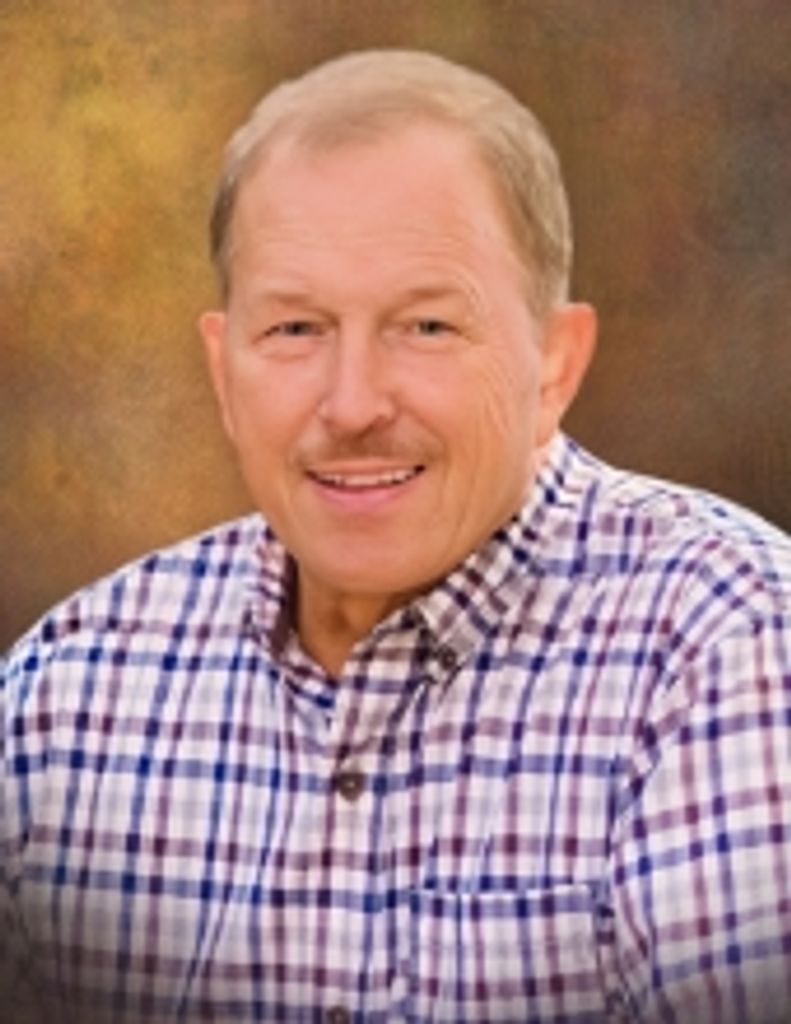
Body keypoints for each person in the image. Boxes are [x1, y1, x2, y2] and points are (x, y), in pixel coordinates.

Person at [2, 49, 790, 1024]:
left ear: (553, 363)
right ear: (223, 368)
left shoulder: (725, 648)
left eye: (424, 327)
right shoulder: (64, 700)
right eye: (295, 330)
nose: (352, 404)